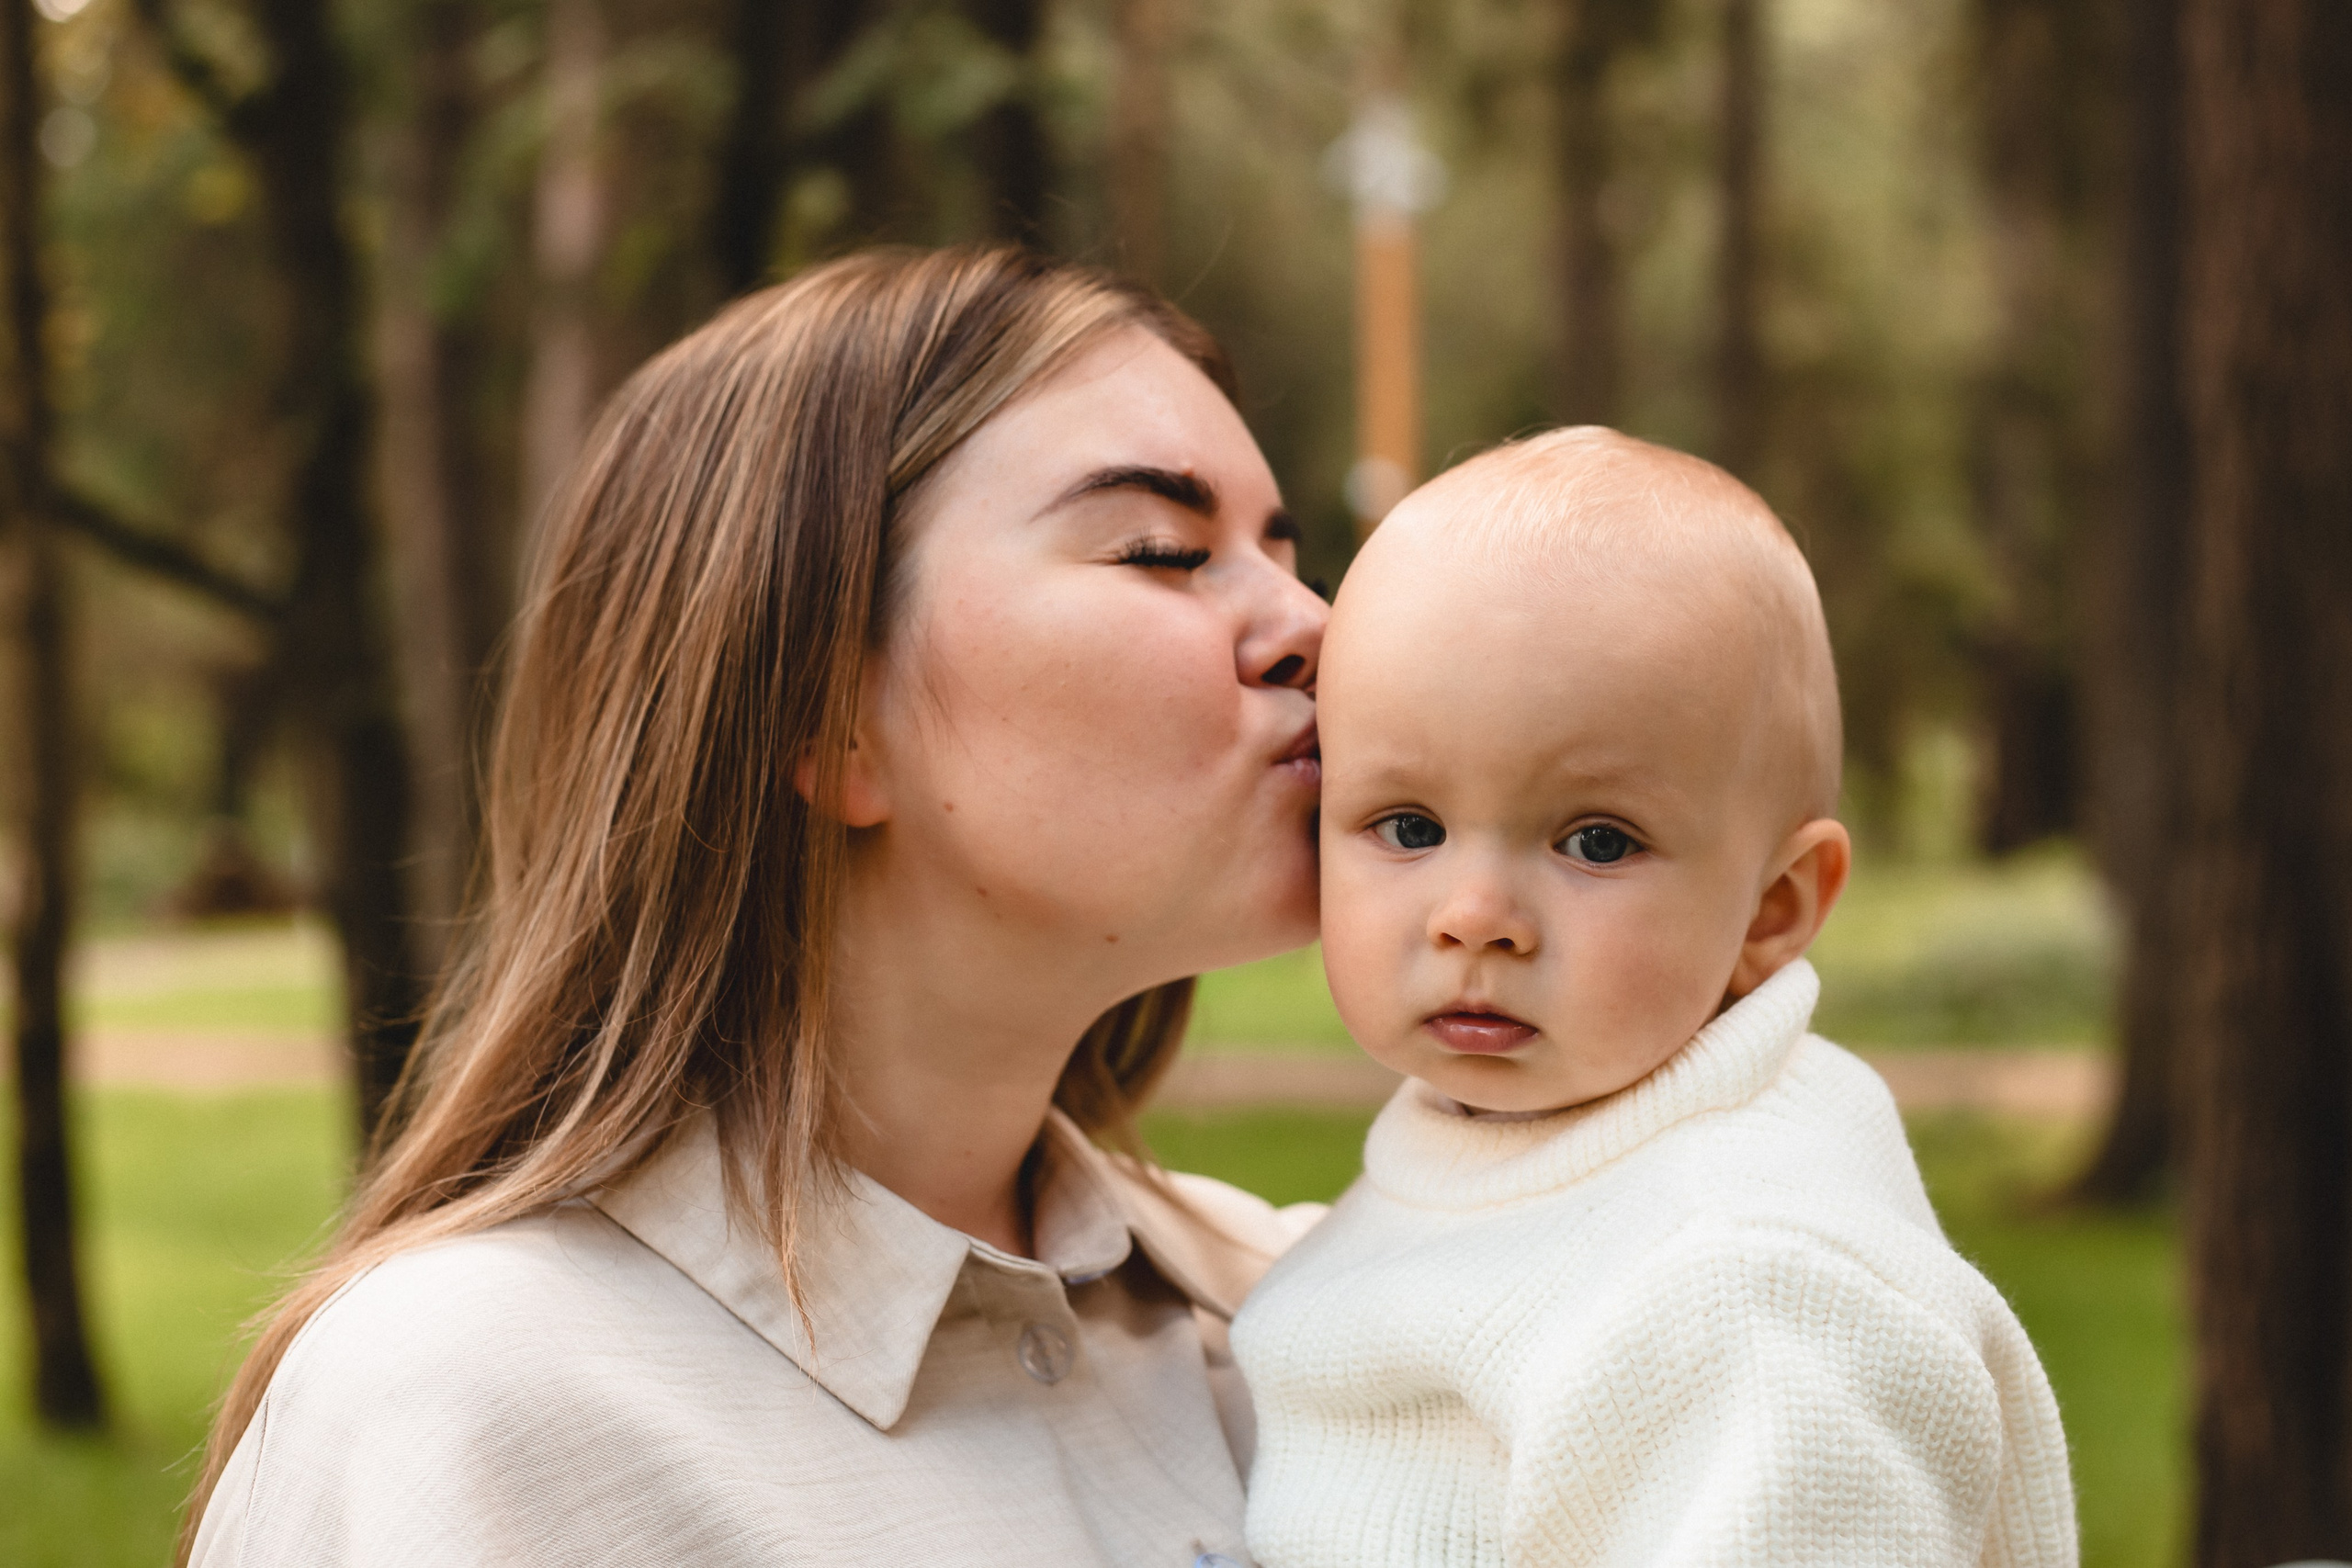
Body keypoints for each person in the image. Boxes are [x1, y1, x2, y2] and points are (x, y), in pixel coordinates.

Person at [183, 247, 1330, 1567]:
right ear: (824, 713)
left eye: (1289, 556)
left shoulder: (1317, 1309)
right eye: (1164, 550)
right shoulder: (467, 1414)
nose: (1313, 621)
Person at [1232, 427, 2078, 1567]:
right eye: (1409, 828)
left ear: (1772, 910)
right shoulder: (1540, 1146)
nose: (1474, 913)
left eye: (1594, 841)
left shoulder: (1746, 1288)